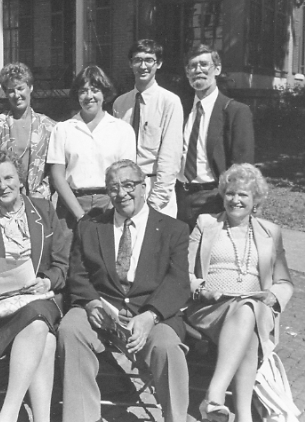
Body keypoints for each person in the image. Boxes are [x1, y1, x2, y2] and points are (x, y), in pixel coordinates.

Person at [58, 159, 190, 422]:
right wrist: (92, 303)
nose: (121, 194)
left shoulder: (173, 229)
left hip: (151, 314)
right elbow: (78, 274)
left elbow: (178, 282)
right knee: (70, 329)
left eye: (128, 185)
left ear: (144, 186)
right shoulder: (91, 226)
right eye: (114, 188)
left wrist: (151, 315)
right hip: (101, 309)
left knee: (167, 347)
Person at [0, 151, 69, 422]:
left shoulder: (44, 210)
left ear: (21, 180)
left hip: (41, 296)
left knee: (38, 317)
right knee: (45, 337)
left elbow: (62, 266)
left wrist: (46, 280)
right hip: (1, 306)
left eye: (8, 177)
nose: (3, 185)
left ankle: (8, 412)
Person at [186, 163, 294, 422]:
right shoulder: (206, 223)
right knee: (249, 318)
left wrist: (273, 296)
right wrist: (201, 289)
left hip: (253, 306)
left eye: (243, 195)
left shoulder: (271, 232)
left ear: (255, 199)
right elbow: (183, 271)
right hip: (210, 307)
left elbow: (285, 282)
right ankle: (224, 402)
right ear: (223, 195)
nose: (235, 200)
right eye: (230, 193)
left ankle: (218, 402)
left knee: (248, 310)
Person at [47, 66, 136, 229]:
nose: (89, 96)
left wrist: (110, 213)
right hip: (71, 207)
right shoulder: (63, 129)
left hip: (111, 203)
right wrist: (80, 216)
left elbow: (126, 176)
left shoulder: (122, 130)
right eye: (83, 91)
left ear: (104, 93)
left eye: (95, 90)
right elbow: (57, 176)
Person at [177, 45, 255, 230]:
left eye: (204, 64)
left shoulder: (235, 111)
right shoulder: (180, 109)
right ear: (187, 73)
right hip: (179, 197)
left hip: (213, 199)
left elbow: (242, 169)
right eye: (192, 66)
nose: (198, 70)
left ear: (217, 69)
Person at [113, 40, 183, 217]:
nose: (143, 66)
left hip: (155, 190)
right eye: (137, 60)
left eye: (149, 60)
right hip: (125, 192)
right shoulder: (120, 104)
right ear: (130, 64)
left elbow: (170, 156)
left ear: (158, 64)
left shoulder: (169, 102)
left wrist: (156, 201)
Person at [0, 63, 55, 200]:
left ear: (30, 88)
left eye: (20, 88)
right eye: (11, 90)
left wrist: (40, 193)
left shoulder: (49, 126)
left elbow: (55, 171)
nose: (17, 95)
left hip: (38, 201)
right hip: (4, 200)